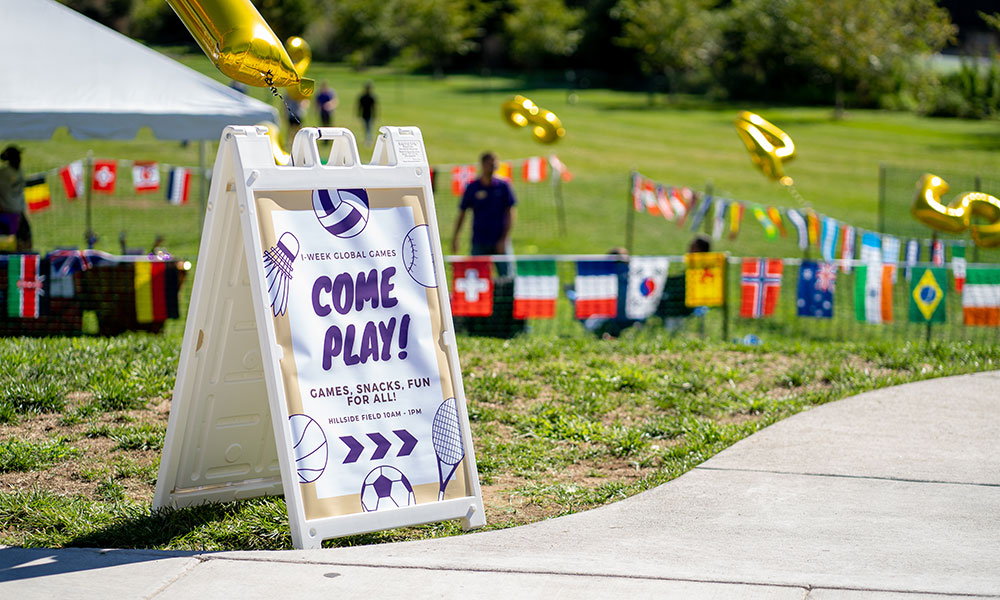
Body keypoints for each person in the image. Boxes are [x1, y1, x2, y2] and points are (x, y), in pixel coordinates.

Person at [450, 151, 517, 276]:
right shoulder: (473, 187)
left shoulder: (503, 186)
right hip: (479, 240)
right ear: (482, 165)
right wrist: (455, 237)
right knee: (477, 275)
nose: (492, 166)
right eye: (489, 163)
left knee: (507, 277)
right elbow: (462, 213)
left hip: (499, 240)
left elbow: (511, 212)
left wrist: (504, 238)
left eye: (495, 163)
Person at [0, 145, 31, 251]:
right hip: (8, 212)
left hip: (16, 211)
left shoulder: (14, 171)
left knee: (20, 243)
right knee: (10, 244)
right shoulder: (5, 173)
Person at [357, 81, 377, 146]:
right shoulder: (363, 97)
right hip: (364, 115)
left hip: (369, 115)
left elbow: (374, 107)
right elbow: (359, 106)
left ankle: (369, 140)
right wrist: (359, 114)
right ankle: (367, 139)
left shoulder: (371, 97)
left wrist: (375, 115)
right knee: (366, 128)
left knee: (369, 128)